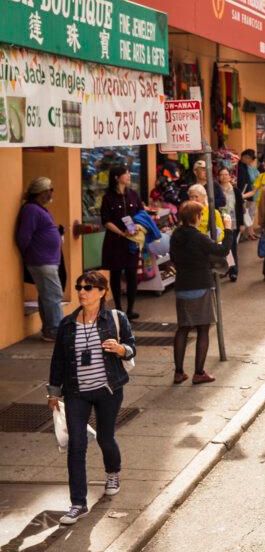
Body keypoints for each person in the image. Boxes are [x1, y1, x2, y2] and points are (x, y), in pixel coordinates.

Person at [47, 270, 137, 525]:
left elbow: (131, 346)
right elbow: (58, 361)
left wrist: (121, 349)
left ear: (102, 292)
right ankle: (78, 503)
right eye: (79, 287)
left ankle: (113, 473)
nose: (82, 292)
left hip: (108, 390)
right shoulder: (67, 324)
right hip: (76, 392)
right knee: (76, 445)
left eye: (88, 287)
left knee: (106, 438)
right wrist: (53, 392)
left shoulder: (116, 319)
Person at [170, 201, 234, 385]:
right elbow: (222, 250)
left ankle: (178, 372)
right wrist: (228, 229)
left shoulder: (176, 235)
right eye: (200, 215)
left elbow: (173, 258)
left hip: (182, 286)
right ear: (196, 217)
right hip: (200, 285)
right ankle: (199, 372)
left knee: (183, 329)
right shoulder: (199, 237)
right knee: (203, 328)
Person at [17, 177, 64, 341]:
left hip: (47, 259)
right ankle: (55, 330)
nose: (52, 192)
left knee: (47, 295)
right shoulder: (31, 209)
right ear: (41, 192)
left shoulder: (39, 209)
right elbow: (24, 236)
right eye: (50, 189)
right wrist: (30, 254)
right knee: (54, 295)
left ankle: (49, 330)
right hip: (41, 260)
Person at [99, 165, 144, 320]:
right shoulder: (108, 197)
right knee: (116, 274)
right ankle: (118, 308)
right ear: (116, 177)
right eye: (126, 173)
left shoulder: (133, 195)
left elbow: (140, 213)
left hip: (131, 241)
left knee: (132, 274)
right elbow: (105, 221)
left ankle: (130, 309)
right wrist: (121, 232)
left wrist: (137, 228)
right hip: (115, 241)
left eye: (129, 173)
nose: (129, 176)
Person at [216, 167, 243, 281]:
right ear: (218, 177)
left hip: (233, 222)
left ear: (230, 176)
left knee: (232, 247)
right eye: (222, 174)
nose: (224, 176)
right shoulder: (216, 190)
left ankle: (233, 271)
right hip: (220, 222)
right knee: (224, 247)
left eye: (226, 174)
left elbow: (240, 208)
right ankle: (226, 268)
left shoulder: (236, 190)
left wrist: (242, 224)